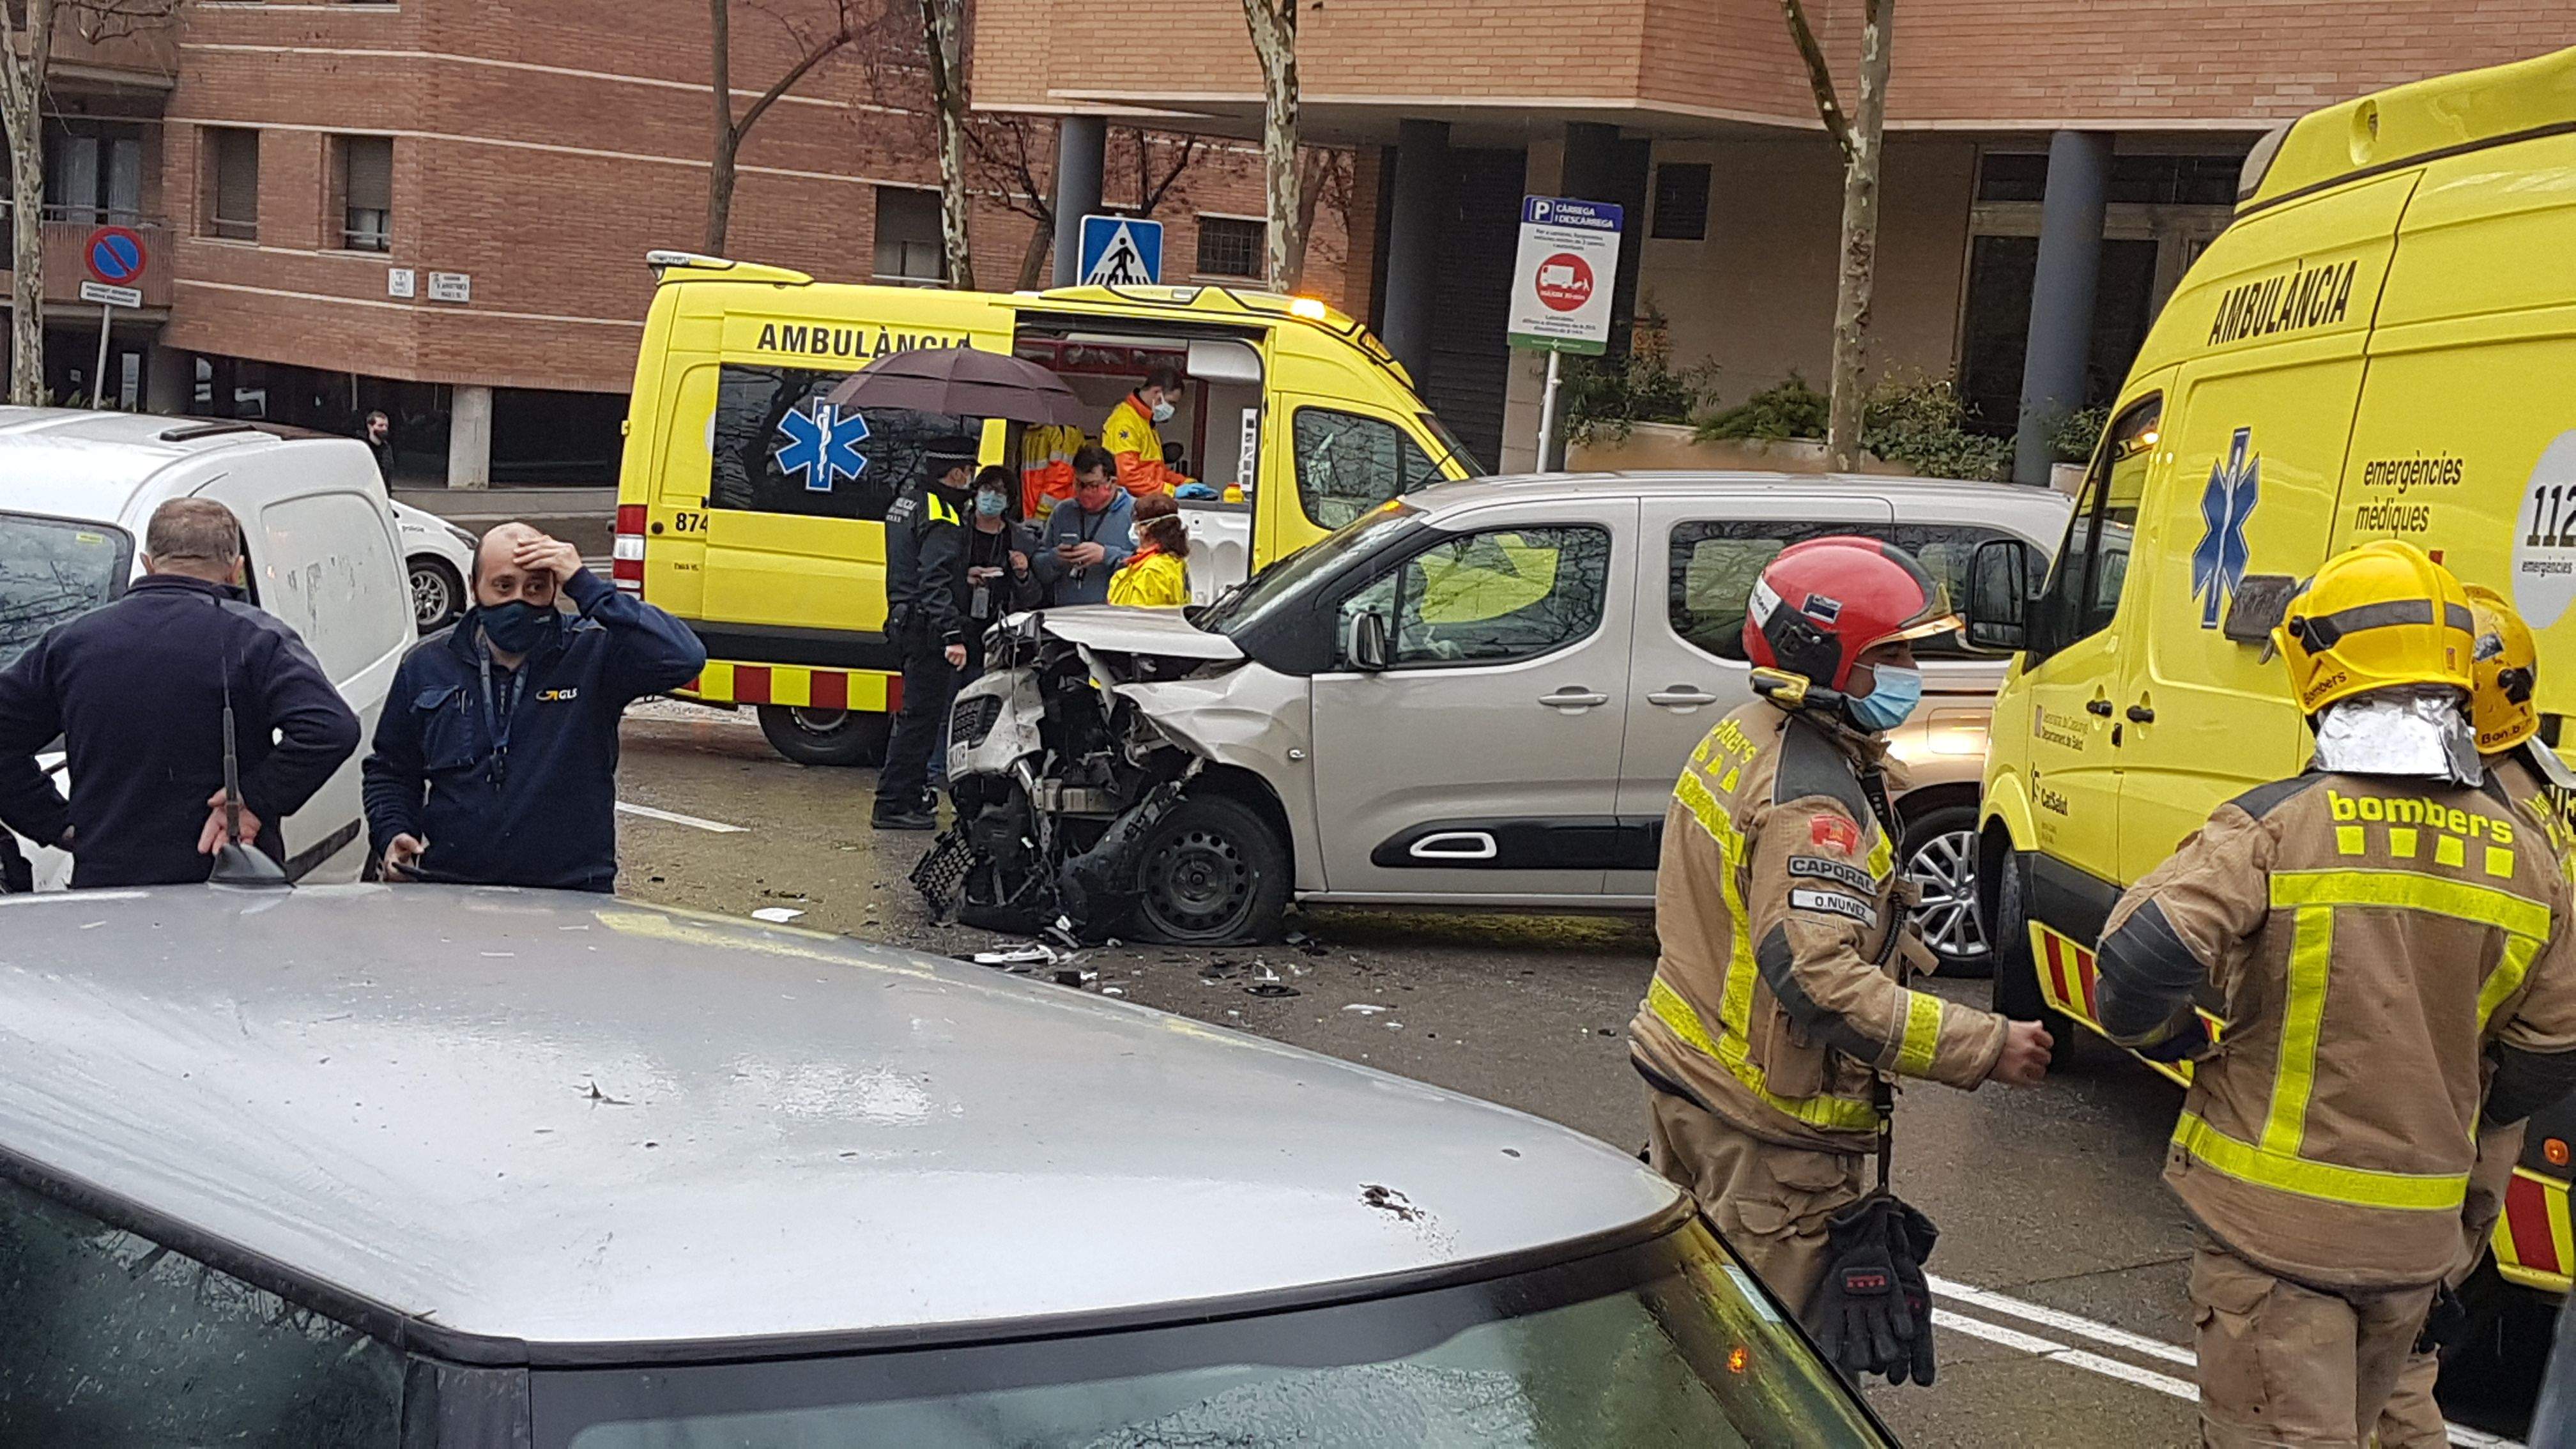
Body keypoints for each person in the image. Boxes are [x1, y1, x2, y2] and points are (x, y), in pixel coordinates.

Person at [2093, 540, 2576, 1448]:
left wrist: (2174, 1044)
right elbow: (2552, 1048)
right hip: (2416, 1242)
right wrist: (2462, 1105)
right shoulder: (2527, 857)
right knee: (2395, 1424)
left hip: (2278, 1239)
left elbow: (2136, 962)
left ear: (2320, 672)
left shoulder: (2282, 823)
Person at [1627, 537, 2050, 1326]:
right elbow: (1819, 980)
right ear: (1821, 658)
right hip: (1762, 1127)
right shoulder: (1812, 806)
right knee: (1761, 1359)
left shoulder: (1750, 734)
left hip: (1692, 1078)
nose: (1907, 677)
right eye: (1887, 656)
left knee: (1683, 1319)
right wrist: (1984, 1046)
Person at [2377, 583, 2576, 1448]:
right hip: (2492, 1103)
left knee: (2393, 1348)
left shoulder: (2480, 822)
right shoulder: (2545, 787)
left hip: (2454, 1105)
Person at [0, 498, 360, 888]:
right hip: (227, 879)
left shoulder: (71, 643)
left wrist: (56, 823)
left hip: (108, 885)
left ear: (148, 563)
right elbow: (331, 728)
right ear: (236, 570)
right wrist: (254, 799)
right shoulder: (258, 640)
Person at [362, 523, 705, 889]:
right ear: (474, 586)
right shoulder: (426, 666)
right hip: (452, 889)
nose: (519, 600)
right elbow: (391, 769)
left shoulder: (593, 653)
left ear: (555, 589)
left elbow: (683, 657)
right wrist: (393, 832)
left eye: (536, 587)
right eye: (503, 586)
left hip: (571, 893)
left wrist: (587, 586)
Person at [873, 438, 981, 831]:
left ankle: (903, 796)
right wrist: (953, 634)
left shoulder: (908, 502)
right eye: (969, 472)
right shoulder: (944, 514)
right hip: (927, 628)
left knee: (912, 717)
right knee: (920, 721)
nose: (972, 480)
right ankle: (894, 803)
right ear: (955, 473)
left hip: (904, 620)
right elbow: (932, 580)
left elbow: (915, 565)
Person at [1030, 445, 1135, 608]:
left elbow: (1152, 568)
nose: (1084, 492)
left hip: (1116, 620)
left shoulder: (1136, 514)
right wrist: (1056, 558)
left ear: (1112, 482)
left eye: (1092, 486)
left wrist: (1107, 556)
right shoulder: (1063, 512)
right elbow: (1040, 570)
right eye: (1079, 484)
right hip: (1066, 617)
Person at [963, 465, 1042, 674]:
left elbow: (1033, 599)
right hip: (963, 626)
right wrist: (965, 577)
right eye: (987, 489)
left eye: (1000, 493)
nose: (992, 497)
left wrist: (1023, 575)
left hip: (1002, 631)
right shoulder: (957, 530)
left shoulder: (1021, 538)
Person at [1100, 367, 1194, 498]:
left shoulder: (1144, 421)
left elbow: (1154, 471)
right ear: (1157, 392)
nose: (1172, 409)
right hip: (1127, 506)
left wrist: (1184, 482)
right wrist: (1172, 491)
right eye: (1171, 402)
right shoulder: (1126, 422)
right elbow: (1127, 477)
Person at [1106, 493, 1192, 607]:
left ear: (1147, 529)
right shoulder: (1172, 562)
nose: (1135, 529)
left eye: (1138, 524)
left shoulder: (1153, 572)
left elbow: (1140, 616)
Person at [360, 410, 395, 481]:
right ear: (370, 427)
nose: (384, 429)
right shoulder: (362, 447)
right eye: (380, 426)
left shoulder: (386, 448)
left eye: (386, 426)